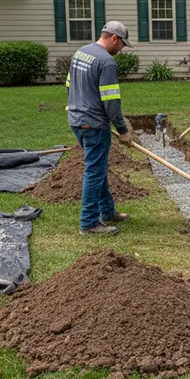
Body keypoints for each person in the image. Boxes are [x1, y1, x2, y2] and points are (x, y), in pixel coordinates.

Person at [66, 20, 134, 235]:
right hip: (94, 125)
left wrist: (74, 103)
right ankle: (88, 223)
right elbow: (111, 102)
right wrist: (123, 130)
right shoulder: (107, 62)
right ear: (114, 38)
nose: (122, 49)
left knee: (98, 168)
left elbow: (69, 84)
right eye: (123, 44)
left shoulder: (81, 52)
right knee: (94, 172)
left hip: (77, 120)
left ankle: (107, 211)